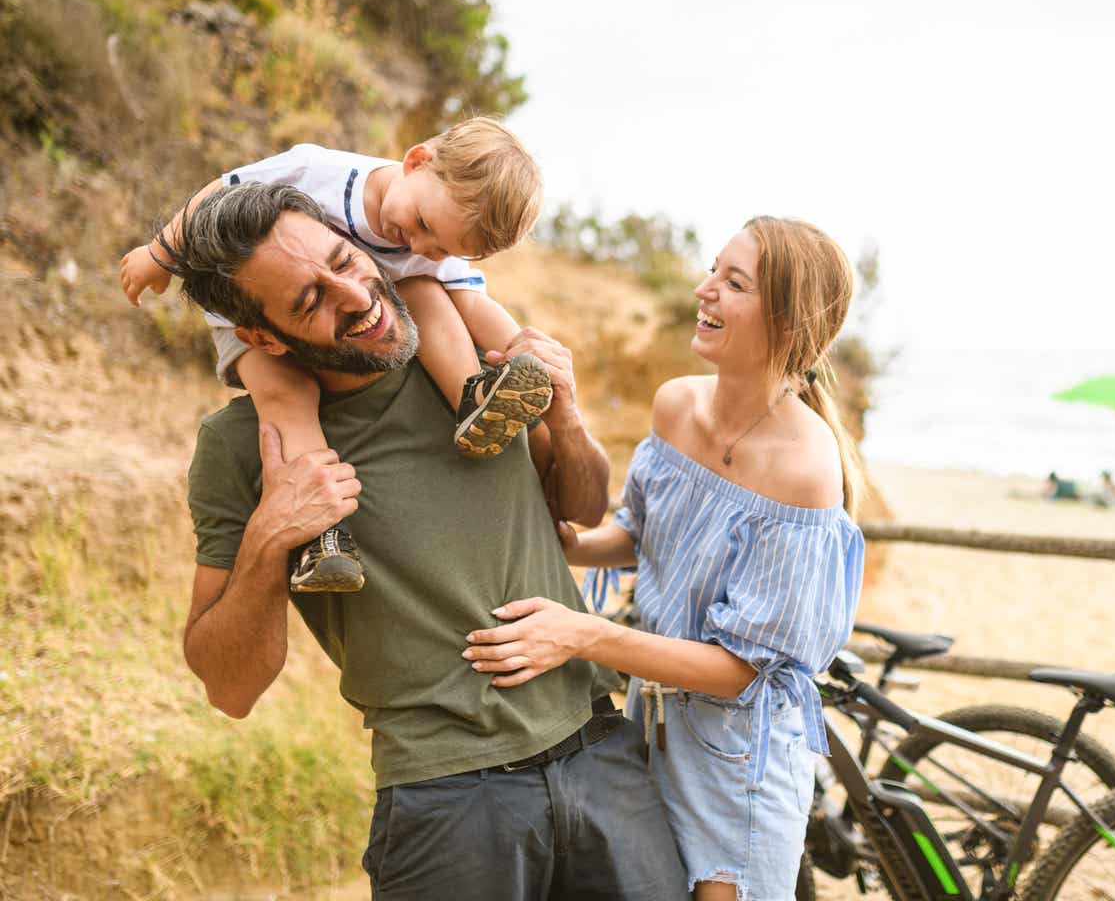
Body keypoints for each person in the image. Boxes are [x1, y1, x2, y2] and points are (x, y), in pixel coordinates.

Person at [176, 182, 688, 899]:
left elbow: (577, 505)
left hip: (601, 755)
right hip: (446, 799)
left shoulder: (472, 367)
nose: (352, 295)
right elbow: (229, 688)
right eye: (307, 301)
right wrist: (270, 538)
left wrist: (566, 418)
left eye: (343, 261)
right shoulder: (241, 448)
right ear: (260, 339)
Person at [462, 217, 866, 901]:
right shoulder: (675, 404)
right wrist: (568, 543)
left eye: (733, 283)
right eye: (714, 270)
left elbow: (742, 671)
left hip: (737, 766)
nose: (704, 291)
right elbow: (639, 532)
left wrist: (582, 634)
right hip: (649, 726)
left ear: (789, 324)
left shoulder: (805, 470)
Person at [120, 116, 546, 593]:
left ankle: (474, 397)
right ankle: (321, 537)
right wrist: (160, 254)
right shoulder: (315, 171)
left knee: (429, 290)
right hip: (244, 311)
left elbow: (473, 304)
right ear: (417, 160)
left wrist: (525, 352)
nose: (422, 245)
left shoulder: (432, 241)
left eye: (443, 246)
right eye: (424, 225)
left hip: (346, 304)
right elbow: (220, 191)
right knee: (287, 394)